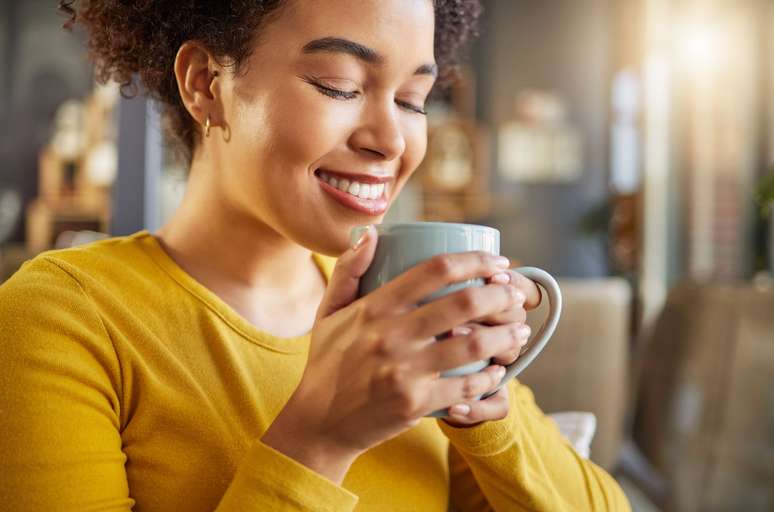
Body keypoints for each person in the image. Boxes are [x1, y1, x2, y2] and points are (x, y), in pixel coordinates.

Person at [0, 1, 631, 510]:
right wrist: (317, 441)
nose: (391, 140)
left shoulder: (401, 317)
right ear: (205, 85)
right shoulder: (60, 319)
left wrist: (488, 410)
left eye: (413, 101)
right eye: (340, 85)